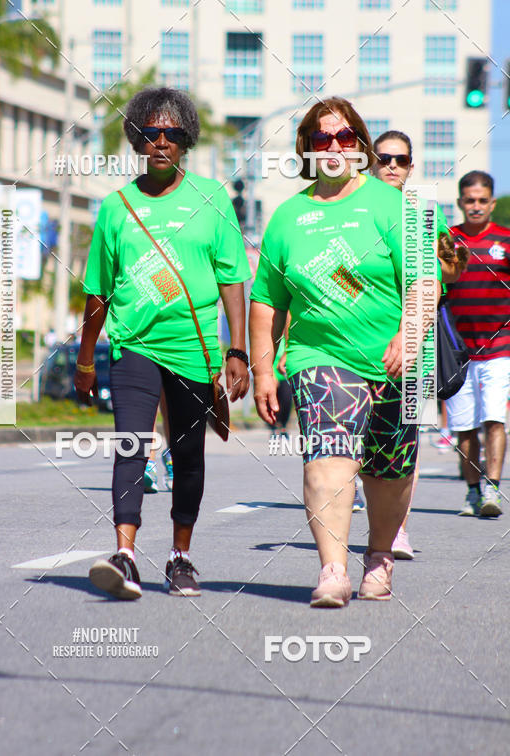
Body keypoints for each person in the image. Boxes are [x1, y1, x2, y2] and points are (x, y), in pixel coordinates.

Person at [250, 97, 436, 607]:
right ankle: (333, 570)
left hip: (398, 359)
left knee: (391, 468)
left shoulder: (399, 205)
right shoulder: (287, 218)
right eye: (321, 139)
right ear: (306, 149)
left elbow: (424, 280)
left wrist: (410, 334)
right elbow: (267, 303)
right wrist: (264, 372)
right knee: (328, 454)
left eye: (345, 137)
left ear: (361, 145)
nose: (333, 146)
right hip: (320, 356)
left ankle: (379, 556)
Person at [76, 87, 250, 599]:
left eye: (172, 134)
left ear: (186, 141)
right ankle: (125, 555)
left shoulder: (212, 198)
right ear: (136, 137)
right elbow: (97, 291)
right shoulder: (116, 207)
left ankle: (180, 557)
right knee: (131, 444)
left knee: (188, 453)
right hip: (133, 345)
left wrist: (237, 351)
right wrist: (86, 358)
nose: (161, 142)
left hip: (193, 349)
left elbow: (232, 279)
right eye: (151, 132)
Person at [371, 129, 465, 558]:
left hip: (415, 343)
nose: (392, 166)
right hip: (358, 343)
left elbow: (452, 269)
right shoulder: (351, 209)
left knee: (405, 438)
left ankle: (398, 530)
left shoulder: (424, 213)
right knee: (360, 439)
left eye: (401, 160)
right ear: (370, 160)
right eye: (385, 157)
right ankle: (376, 511)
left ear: (412, 166)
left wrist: (434, 261)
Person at [446, 171, 510, 518]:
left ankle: (492, 490)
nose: (475, 206)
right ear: (460, 203)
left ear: (492, 203)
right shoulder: (448, 240)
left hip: (500, 347)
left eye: (482, 200)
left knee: (494, 418)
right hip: (457, 353)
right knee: (465, 426)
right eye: (469, 200)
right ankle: (472, 492)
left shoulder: (506, 239)